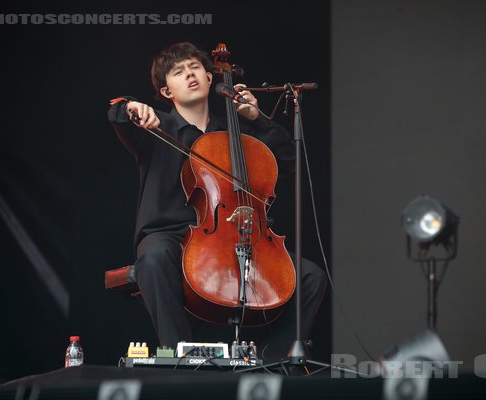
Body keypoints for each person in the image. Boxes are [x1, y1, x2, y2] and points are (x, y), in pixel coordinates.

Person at [107, 42, 326, 361]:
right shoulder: (157, 128)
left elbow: (286, 161)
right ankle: (178, 356)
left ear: (211, 78)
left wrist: (256, 118)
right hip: (172, 237)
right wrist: (131, 108)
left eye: (195, 67)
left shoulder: (236, 135)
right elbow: (117, 113)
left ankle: (275, 361)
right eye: (179, 72)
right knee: (153, 257)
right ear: (167, 91)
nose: (189, 74)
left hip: (237, 234)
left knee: (311, 277)